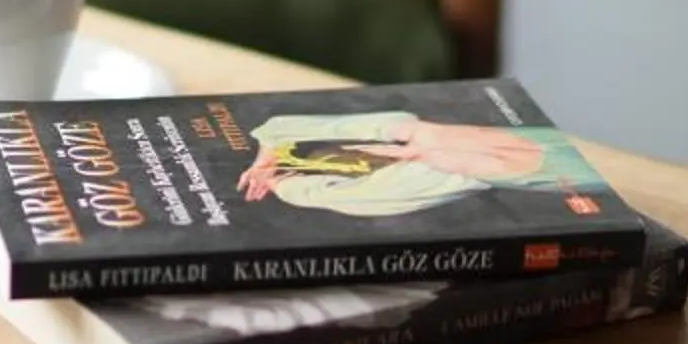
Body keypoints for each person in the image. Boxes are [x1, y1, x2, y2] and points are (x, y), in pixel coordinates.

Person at [235, 111, 611, 220]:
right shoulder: (429, 168)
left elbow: (280, 127)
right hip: (566, 163)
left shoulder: (409, 134)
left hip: (565, 152)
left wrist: (271, 161)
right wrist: (282, 180)